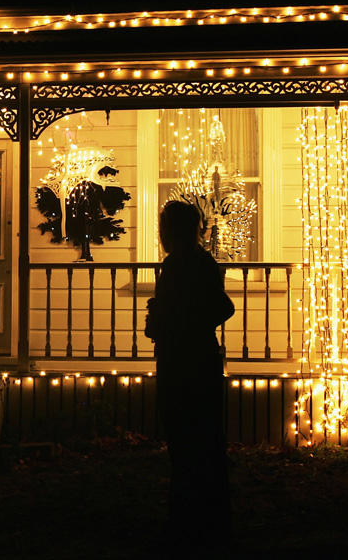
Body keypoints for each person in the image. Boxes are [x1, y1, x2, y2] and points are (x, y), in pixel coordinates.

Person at [144, 200, 235, 552]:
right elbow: (220, 306)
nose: (162, 234)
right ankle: (208, 521)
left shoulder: (182, 265)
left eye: (164, 227)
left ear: (175, 230)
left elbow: (217, 307)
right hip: (200, 362)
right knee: (204, 444)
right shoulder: (201, 262)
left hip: (183, 365)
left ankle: (188, 524)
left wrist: (169, 320)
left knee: (187, 445)